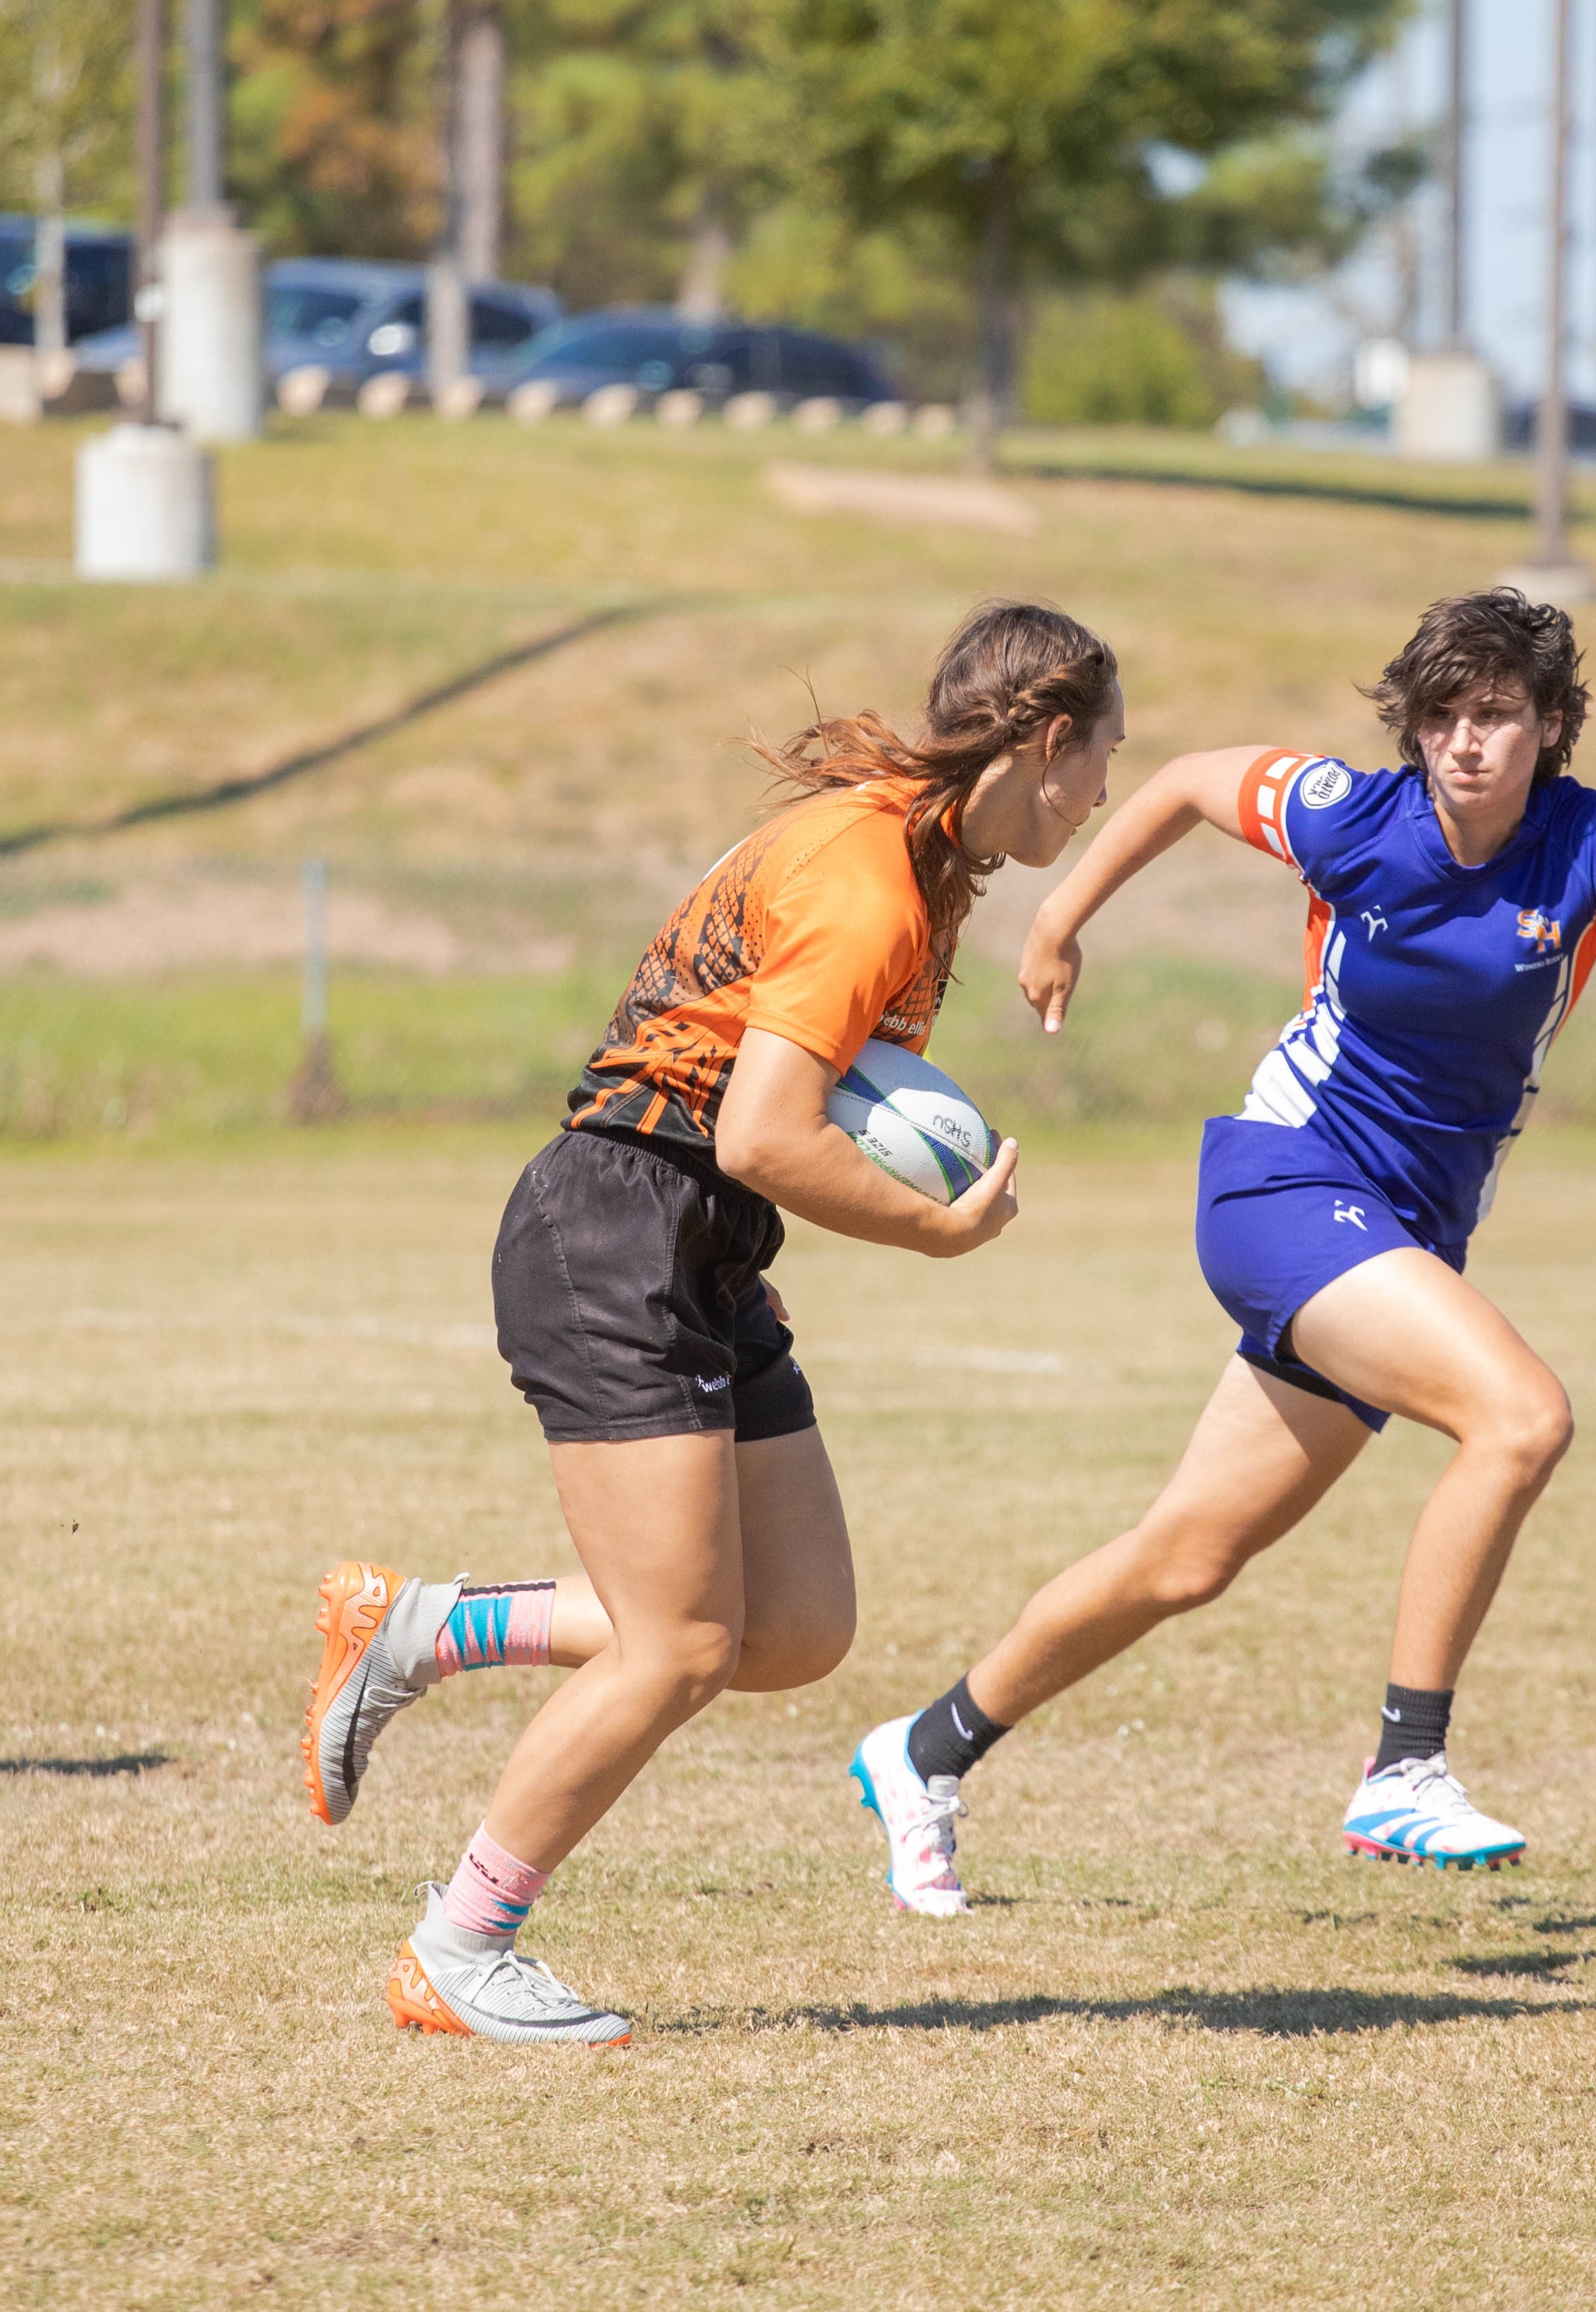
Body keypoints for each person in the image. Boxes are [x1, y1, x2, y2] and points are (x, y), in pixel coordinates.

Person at [842, 588, 1596, 1909]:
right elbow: (1177, 785)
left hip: (1401, 1236)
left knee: (1185, 1557)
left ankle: (923, 1750)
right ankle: (1406, 1768)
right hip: (1287, 1185)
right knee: (1519, 1419)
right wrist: (1060, 922)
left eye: (1496, 715)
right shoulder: (1355, 814)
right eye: (1441, 714)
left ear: (1550, 725)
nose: (1463, 741)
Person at [293, 601, 1123, 2044]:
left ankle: (421, 1633)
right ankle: (459, 1946)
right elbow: (760, 1132)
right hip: (623, 1223)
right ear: (1045, 745)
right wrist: (937, 1226)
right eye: (1099, 764)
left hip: (692, 1240)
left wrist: (739, 1251)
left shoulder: (909, 848)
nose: (1102, 796)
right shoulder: (870, 875)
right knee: (677, 1647)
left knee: (792, 1625)